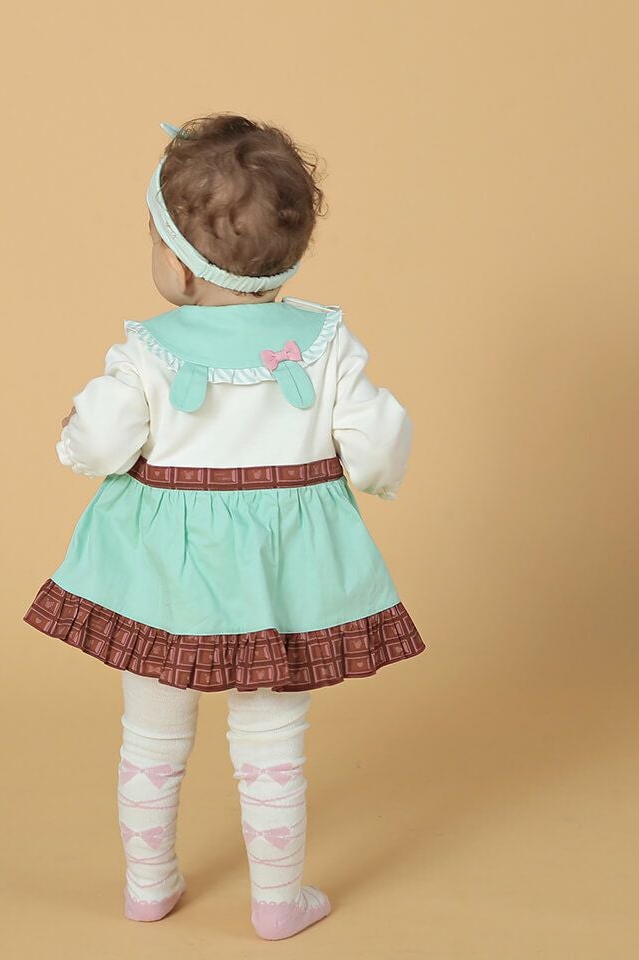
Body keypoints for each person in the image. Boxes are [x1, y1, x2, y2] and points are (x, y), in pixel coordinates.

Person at [22, 113, 426, 941]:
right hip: (285, 576)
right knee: (273, 735)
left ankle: (149, 886)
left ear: (175, 261)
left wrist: (72, 436)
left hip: (161, 578)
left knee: (151, 733)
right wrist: (374, 478)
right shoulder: (324, 340)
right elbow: (378, 444)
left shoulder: (147, 350)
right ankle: (277, 901)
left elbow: (101, 444)